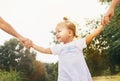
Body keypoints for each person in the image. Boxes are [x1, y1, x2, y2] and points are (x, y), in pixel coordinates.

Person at [27, 17, 106, 81]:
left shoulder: (78, 44)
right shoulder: (59, 48)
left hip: (79, 77)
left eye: (59, 31)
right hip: (65, 78)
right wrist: (33, 45)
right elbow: (44, 50)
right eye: (56, 32)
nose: (56, 34)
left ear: (70, 33)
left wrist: (102, 26)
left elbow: (91, 35)